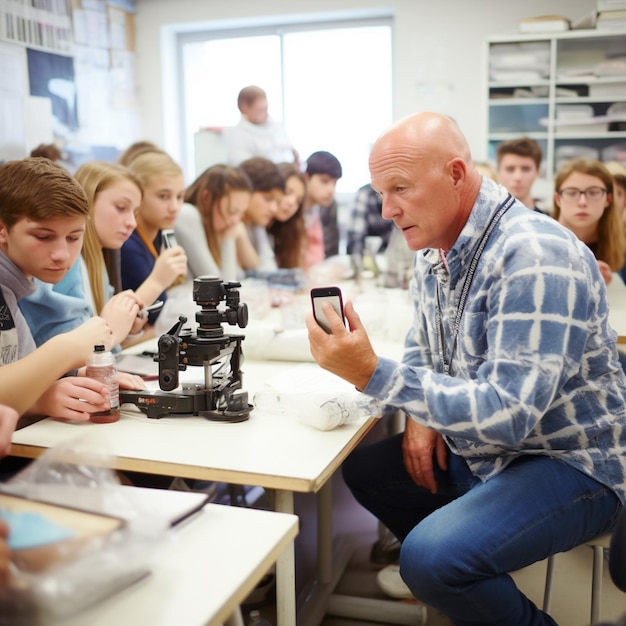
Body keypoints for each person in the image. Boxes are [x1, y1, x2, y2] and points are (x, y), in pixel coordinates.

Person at [305, 112, 626, 626]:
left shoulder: (534, 256)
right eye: (380, 192)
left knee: (432, 558)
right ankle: (473, 589)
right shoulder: (435, 244)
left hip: (570, 461)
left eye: (400, 189)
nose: (387, 210)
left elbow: (508, 415)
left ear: (455, 174)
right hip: (493, 449)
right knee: (367, 472)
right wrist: (420, 417)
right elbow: (422, 340)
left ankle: (459, 575)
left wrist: (371, 373)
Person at [0, 157, 131, 422]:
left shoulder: (14, 288)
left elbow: (16, 376)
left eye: (73, 237)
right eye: (43, 236)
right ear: (3, 230)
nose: (62, 254)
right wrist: (67, 349)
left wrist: (55, 388)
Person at [20, 161, 146, 348]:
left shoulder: (100, 260)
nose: (132, 223)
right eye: (121, 207)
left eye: (135, 212)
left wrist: (128, 327)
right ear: (87, 201)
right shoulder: (64, 263)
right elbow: (70, 355)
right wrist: (112, 331)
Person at [121, 150, 188, 328]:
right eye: (163, 196)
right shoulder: (127, 244)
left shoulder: (160, 234)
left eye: (180, 196)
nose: (174, 207)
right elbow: (157, 315)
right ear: (138, 196)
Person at [175, 164, 258, 282]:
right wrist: (228, 239)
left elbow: (253, 271)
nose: (236, 221)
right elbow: (220, 286)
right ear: (206, 197)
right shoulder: (188, 215)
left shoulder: (217, 226)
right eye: (232, 211)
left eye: (241, 213)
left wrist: (240, 237)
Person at [552, 157, 626, 286]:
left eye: (593, 192)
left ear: (608, 199)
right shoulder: (537, 242)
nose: (582, 202)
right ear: (558, 199)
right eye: (572, 193)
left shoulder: (622, 246)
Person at [225, 85, 297, 166]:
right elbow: (246, 169)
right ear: (244, 108)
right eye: (260, 110)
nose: (266, 113)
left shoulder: (276, 126)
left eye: (266, 108)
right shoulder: (239, 139)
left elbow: (289, 150)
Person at [238, 157, 285, 272]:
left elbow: (268, 269)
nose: (274, 209)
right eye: (268, 199)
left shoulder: (255, 225)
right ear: (246, 190)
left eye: (277, 202)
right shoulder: (231, 224)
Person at [303, 151, 343, 265]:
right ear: (306, 178)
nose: (331, 190)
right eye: (324, 181)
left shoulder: (329, 206)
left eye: (334, 183)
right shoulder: (292, 207)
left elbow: (332, 253)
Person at [268, 162, 307, 269]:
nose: (291, 203)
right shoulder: (256, 226)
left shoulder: (290, 231)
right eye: (287, 192)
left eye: (298, 201)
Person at [496, 136, 544, 212]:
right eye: (510, 169)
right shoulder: (483, 222)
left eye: (525, 169)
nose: (518, 177)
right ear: (498, 172)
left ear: (538, 172)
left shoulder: (546, 222)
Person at [346, 183, 394, 257]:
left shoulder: (400, 193)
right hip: (370, 255)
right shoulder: (364, 194)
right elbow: (355, 237)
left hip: (392, 257)